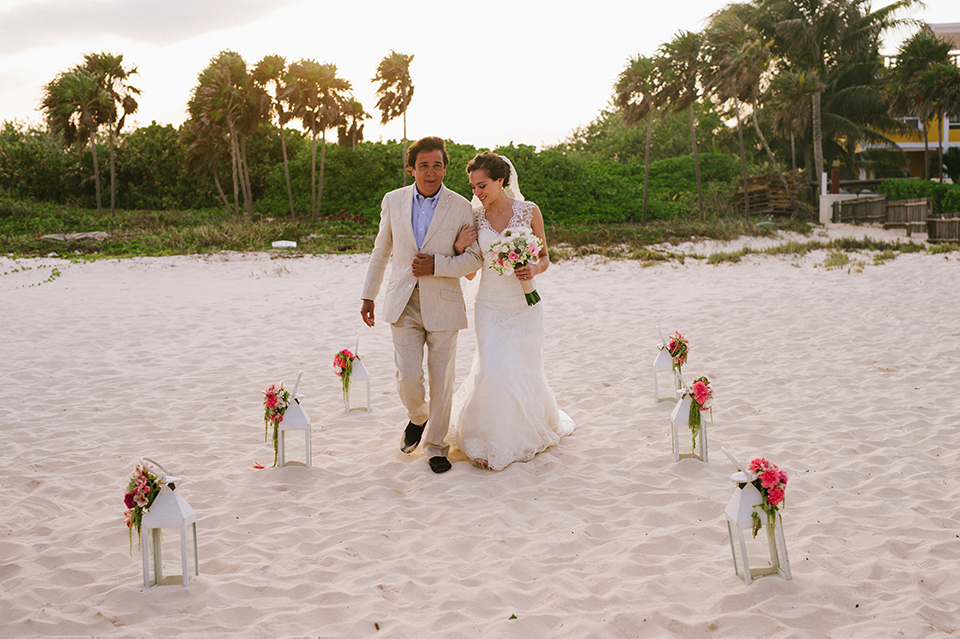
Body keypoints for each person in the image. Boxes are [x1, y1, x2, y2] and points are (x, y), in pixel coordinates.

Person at [360, 136, 483, 474]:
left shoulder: (462, 207)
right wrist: (368, 294)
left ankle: (436, 446)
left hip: (443, 302)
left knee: (442, 379)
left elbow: (473, 260)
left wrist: (437, 265)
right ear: (411, 169)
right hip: (403, 302)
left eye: (438, 165)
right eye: (424, 165)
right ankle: (418, 415)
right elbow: (381, 250)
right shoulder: (392, 200)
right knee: (408, 378)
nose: (432, 172)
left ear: (445, 168)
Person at [449, 152, 575, 470]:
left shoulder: (529, 211)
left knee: (522, 369)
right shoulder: (474, 217)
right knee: (493, 369)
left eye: (483, 185)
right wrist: (459, 249)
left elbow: (545, 257)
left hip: (524, 306)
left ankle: (520, 433)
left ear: (501, 181)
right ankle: (486, 440)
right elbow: (469, 273)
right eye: (474, 187)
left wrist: (533, 268)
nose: (477, 193)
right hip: (489, 305)